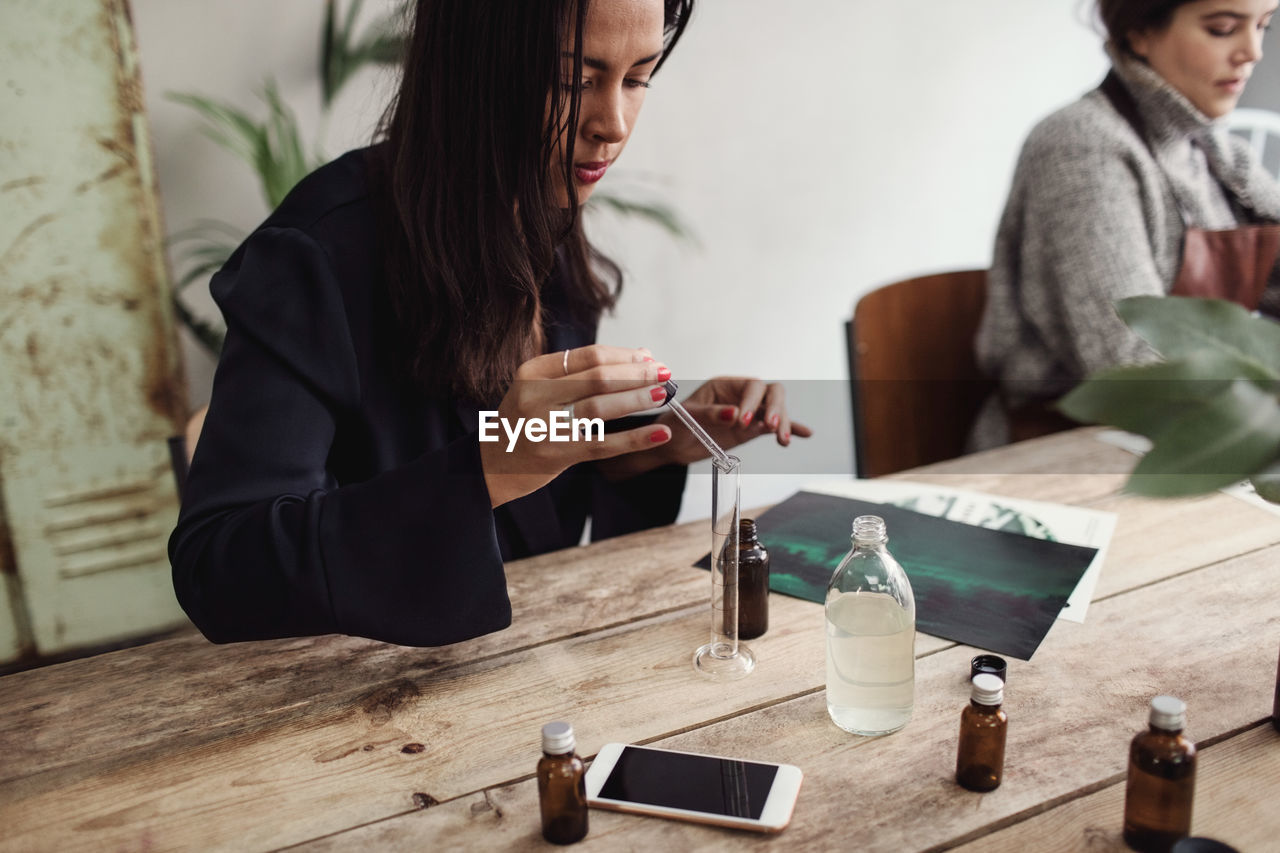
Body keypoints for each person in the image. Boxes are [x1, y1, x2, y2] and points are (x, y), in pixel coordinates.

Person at [169, 0, 810, 648]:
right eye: (571, 80)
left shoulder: (541, 204)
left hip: (527, 658)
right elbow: (218, 568)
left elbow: (531, 490)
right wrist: (484, 468)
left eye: (638, 77)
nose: (612, 123)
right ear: (476, 67)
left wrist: (654, 444)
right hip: (352, 701)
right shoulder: (314, 255)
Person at [972, 0, 1280, 450]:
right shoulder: (1081, 147)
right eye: (1222, 29)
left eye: (1264, 26)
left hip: (1193, 438)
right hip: (1064, 459)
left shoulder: (1218, 153)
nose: (1252, 52)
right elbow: (1133, 370)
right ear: (1140, 33)